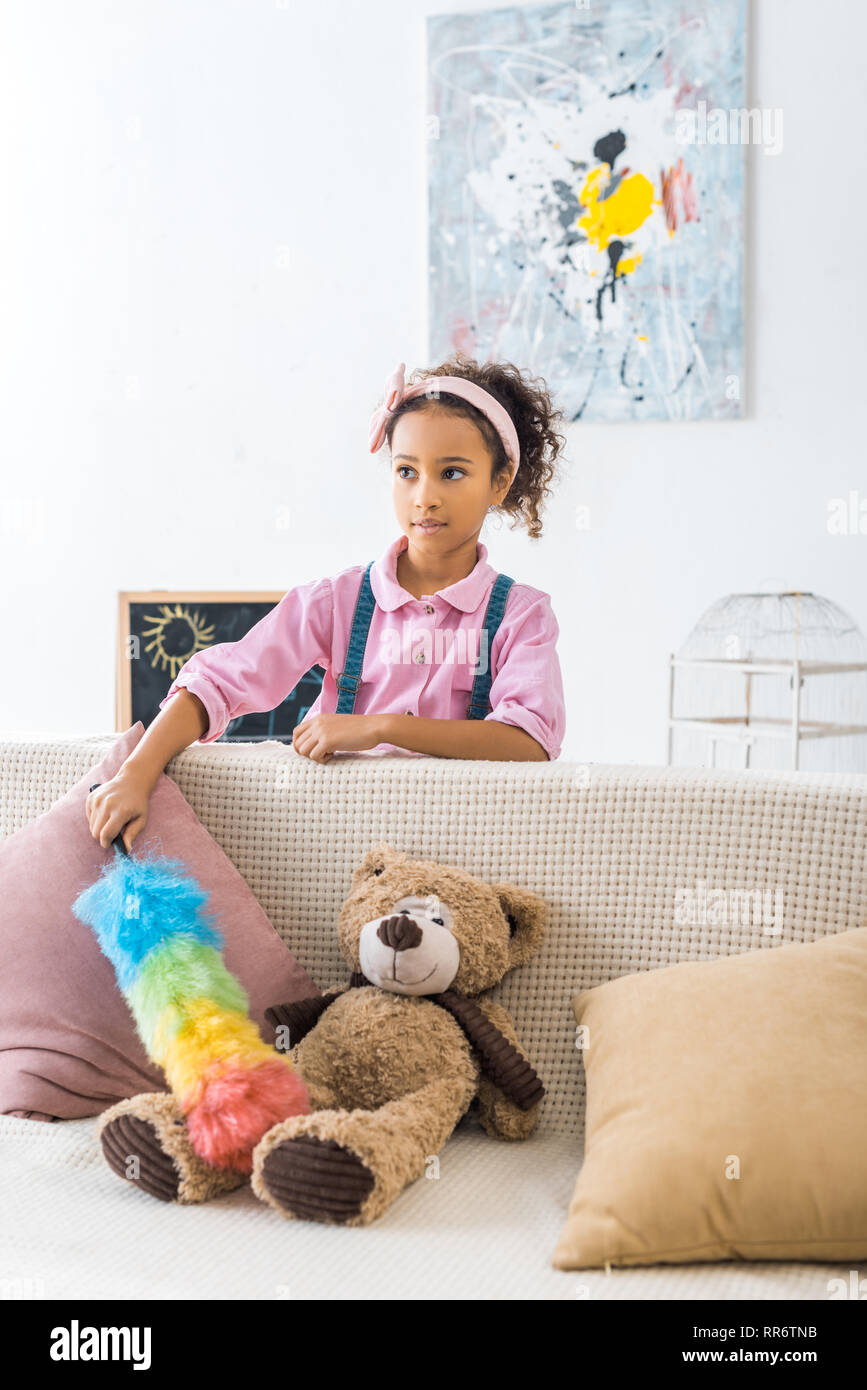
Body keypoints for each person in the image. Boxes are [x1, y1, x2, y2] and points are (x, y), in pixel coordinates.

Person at [87, 354, 568, 852]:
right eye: (407, 471)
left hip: (462, 850)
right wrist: (135, 773)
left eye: (451, 473)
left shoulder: (521, 615)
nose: (424, 496)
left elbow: (529, 743)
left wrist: (379, 727)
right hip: (333, 845)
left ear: (500, 481)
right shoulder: (337, 602)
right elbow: (217, 682)